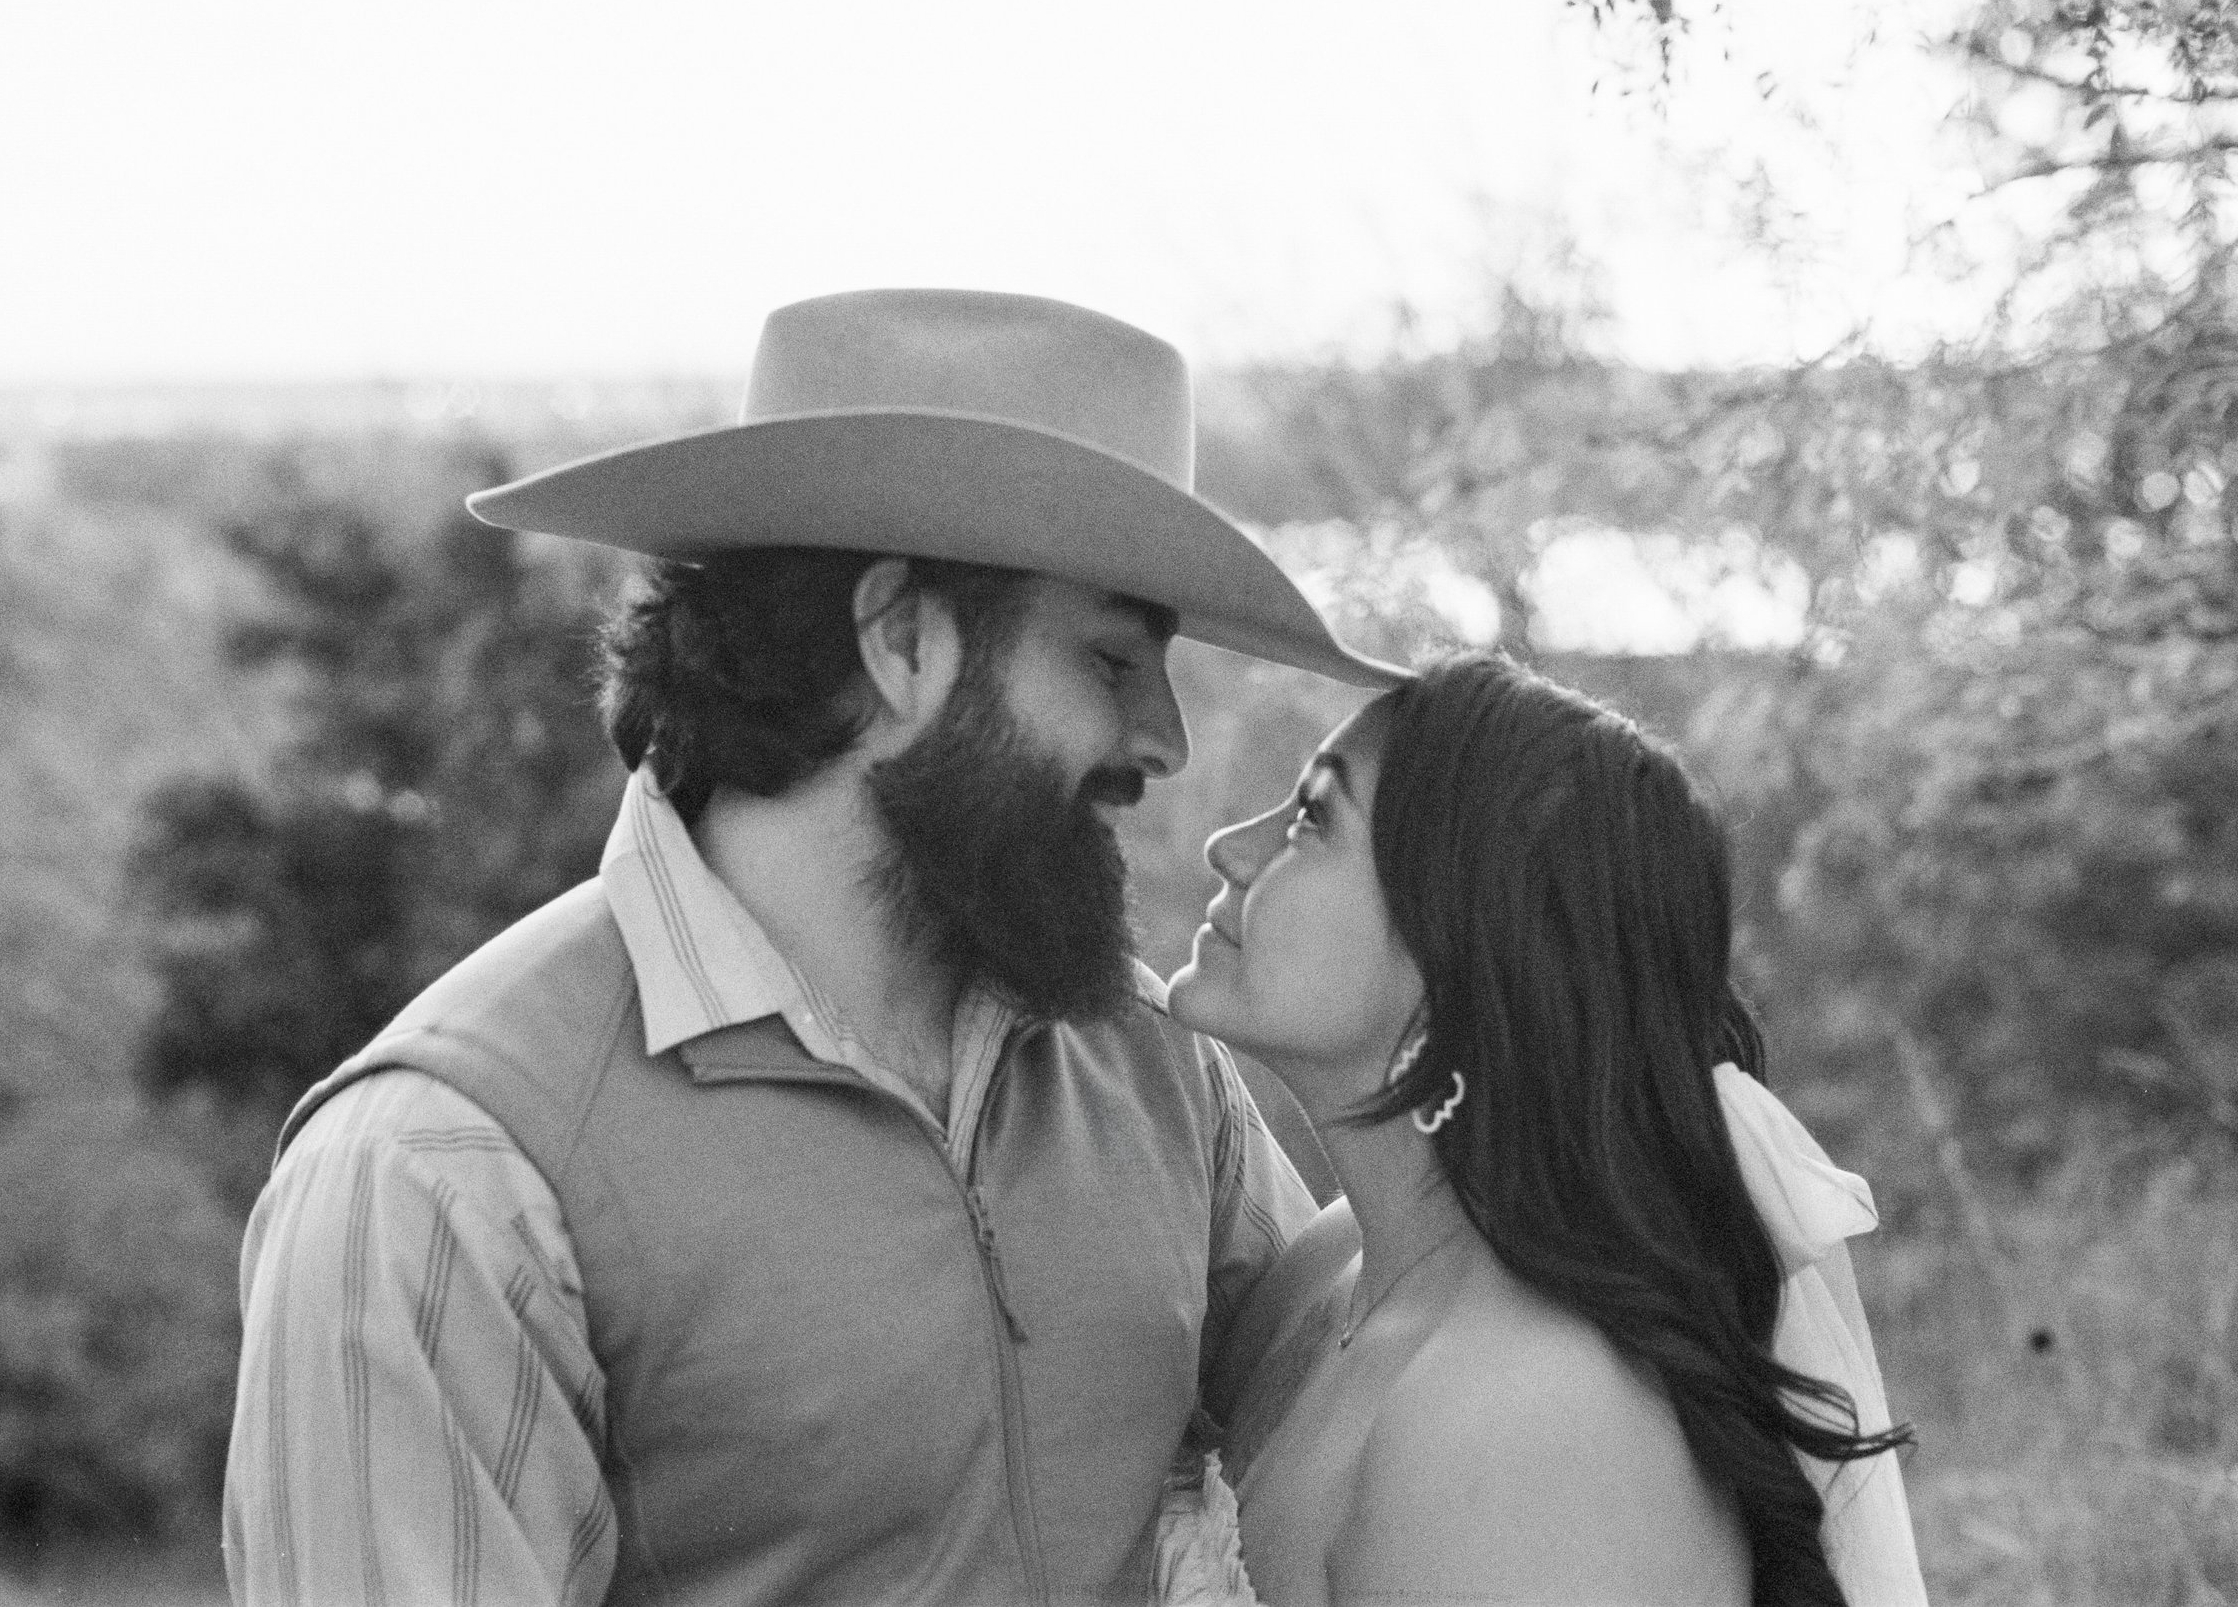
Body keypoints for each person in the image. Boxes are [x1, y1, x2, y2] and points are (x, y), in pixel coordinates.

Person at [219, 288, 1403, 1606]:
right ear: (903, 640)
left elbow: (1379, 1397)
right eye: (1113, 660)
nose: (1166, 740)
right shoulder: (439, 1176)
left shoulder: (1144, 1062)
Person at [1163, 654, 1925, 1607]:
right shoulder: (1331, 1266)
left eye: (1313, 820)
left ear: (1469, 950)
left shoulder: (1534, 1419)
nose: (1232, 845)